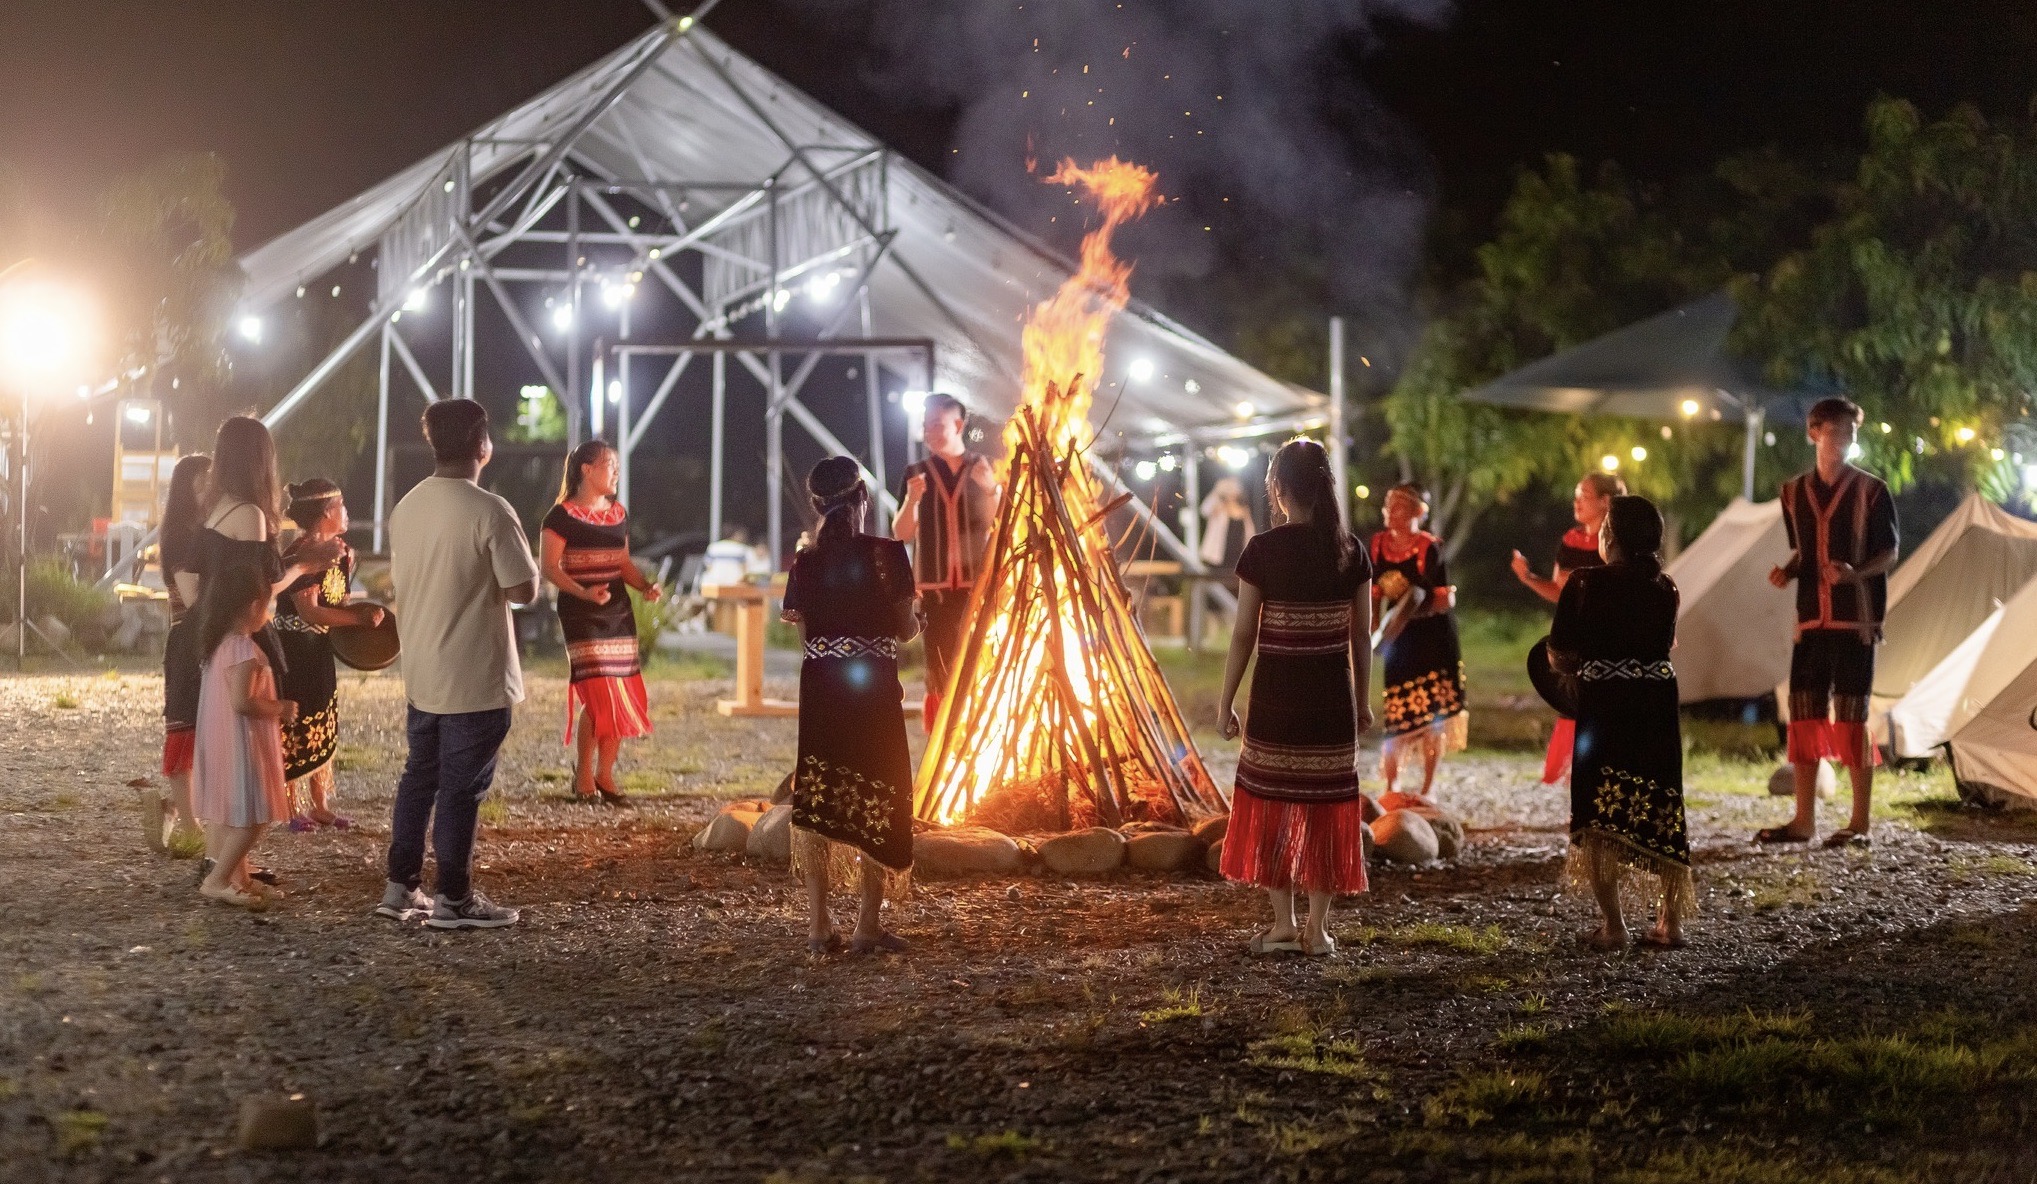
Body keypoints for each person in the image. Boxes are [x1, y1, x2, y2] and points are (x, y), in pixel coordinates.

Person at [380, 398, 541, 929]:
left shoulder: (406, 507)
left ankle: (400, 888)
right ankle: (454, 897)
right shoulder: (489, 510)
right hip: (474, 675)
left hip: (422, 670)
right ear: (482, 445)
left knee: (419, 779)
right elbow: (523, 589)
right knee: (461, 789)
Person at [1217, 438, 1373, 958]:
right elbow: (1360, 637)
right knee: (1326, 810)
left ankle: (1282, 924)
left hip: (1275, 703)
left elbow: (1243, 634)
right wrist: (1363, 702)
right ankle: (1317, 930)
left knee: (1272, 809)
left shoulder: (1263, 550)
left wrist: (1225, 701)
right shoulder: (1350, 551)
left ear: (1279, 487)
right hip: (1332, 704)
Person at [188, 417, 342, 885]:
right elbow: (259, 586)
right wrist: (306, 566)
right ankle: (229, 870)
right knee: (244, 759)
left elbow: (207, 581)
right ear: (260, 460)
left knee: (221, 754)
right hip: (244, 637)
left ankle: (222, 861)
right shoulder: (250, 514)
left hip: (213, 637)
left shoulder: (215, 511)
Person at [1537, 495, 1691, 949]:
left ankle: (1614, 927)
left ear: (1610, 537)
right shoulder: (1666, 588)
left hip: (1604, 706)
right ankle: (1671, 924)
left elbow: (1559, 654)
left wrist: (1568, 665)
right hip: (1656, 705)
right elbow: (1664, 644)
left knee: (1599, 813)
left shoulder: (1584, 582)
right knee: (1662, 805)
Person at [783, 456, 921, 955]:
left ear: (818, 504)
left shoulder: (805, 562)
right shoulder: (888, 555)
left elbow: (806, 637)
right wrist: (916, 622)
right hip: (873, 694)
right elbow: (905, 630)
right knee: (879, 792)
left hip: (822, 691)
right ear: (862, 497)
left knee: (820, 792)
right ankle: (867, 924)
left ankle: (819, 925)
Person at [1758, 397, 1899, 848]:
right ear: (1814, 433)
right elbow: (1804, 551)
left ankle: (1859, 824)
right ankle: (1803, 820)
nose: (1844, 441)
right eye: (1836, 431)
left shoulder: (1872, 491)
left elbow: (1889, 552)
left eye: (1850, 433)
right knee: (1804, 716)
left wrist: (1855, 573)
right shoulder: (1792, 493)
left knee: (1852, 718)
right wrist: (1788, 571)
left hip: (1856, 621)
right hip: (1811, 621)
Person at [541, 440, 661, 804]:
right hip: (581, 614)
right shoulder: (559, 517)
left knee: (620, 689)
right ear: (587, 469)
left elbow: (622, 562)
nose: (616, 472)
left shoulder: (618, 513)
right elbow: (550, 568)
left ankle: (605, 774)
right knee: (599, 692)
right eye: (610, 465)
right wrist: (584, 592)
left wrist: (645, 587)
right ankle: (583, 776)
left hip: (617, 613)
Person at [275, 480, 383, 830]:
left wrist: (366, 618)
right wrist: (357, 619)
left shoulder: (343, 553)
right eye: (342, 506)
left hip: (320, 649)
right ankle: (291, 808)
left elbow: (339, 605)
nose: (346, 512)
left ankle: (320, 805)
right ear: (326, 512)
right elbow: (309, 612)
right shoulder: (302, 554)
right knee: (295, 722)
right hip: (293, 651)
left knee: (323, 717)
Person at [190, 563, 295, 909]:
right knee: (252, 819)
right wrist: (280, 708)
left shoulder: (219, 645)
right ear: (253, 606)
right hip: (242, 745)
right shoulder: (243, 650)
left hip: (223, 742)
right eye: (267, 605)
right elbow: (242, 702)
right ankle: (217, 880)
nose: (269, 612)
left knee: (237, 814)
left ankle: (241, 878)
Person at [1511, 470, 1625, 787]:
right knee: (1573, 700)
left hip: (1606, 636)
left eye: (1584, 496)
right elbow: (1560, 592)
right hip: (1573, 634)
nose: (1576, 503)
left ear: (1605, 501)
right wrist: (1528, 578)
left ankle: (1601, 770)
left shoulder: (1618, 543)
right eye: (1576, 496)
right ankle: (1574, 771)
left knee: (1600, 703)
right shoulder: (1571, 540)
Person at [893, 393, 999, 730]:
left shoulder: (982, 468)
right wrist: (912, 500)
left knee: (980, 662)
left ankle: (980, 733)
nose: (930, 432)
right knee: (938, 668)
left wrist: (992, 489)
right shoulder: (917, 474)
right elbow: (901, 533)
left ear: (958, 424)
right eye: (926, 426)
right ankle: (942, 738)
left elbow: (1002, 524)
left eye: (937, 424)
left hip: (978, 588)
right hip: (935, 592)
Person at [1369, 483, 1467, 804]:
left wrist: (1411, 606)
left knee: (1431, 716)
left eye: (1397, 506)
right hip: (1399, 640)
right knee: (1397, 710)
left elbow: (1440, 597)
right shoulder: (1378, 545)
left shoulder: (1429, 547)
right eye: (1388, 504)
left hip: (1433, 639)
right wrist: (1374, 629)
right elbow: (1375, 593)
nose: (1389, 511)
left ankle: (1427, 788)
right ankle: (1391, 785)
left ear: (1417, 512)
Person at [144, 453, 211, 856]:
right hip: (190, 639)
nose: (213, 489)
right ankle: (190, 828)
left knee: (206, 731)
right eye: (205, 483)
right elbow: (194, 599)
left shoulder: (202, 533)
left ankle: (175, 810)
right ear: (188, 490)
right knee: (186, 729)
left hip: (205, 635)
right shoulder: (182, 538)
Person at [1199, 476, 1257, 591]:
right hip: (1219, 558)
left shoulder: (1243, 510)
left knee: (1235, 586)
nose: (1232, 494)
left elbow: (1249, 533)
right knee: (1218, 587)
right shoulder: (1218, 508)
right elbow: (1204, 510)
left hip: (1237, 557)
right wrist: (1217, 492)